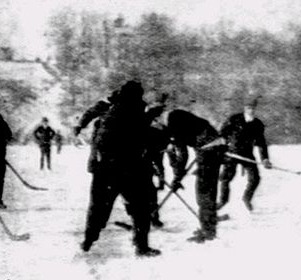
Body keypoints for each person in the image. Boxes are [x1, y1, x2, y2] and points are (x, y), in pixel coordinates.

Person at [80, 80, 161, 257]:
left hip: (103, 169)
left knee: (98, 208)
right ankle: (141, 246)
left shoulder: (109, 111)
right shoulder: (134, 112)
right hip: (129, 169)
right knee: (141, 209)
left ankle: (88, 240)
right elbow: (144, 135)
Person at [166, 109, 227, 243]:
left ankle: (208, 231)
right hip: (216, 148)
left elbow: (183, 156)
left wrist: (177, 178)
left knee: (203, 194)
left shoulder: (173, 123)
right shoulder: (177, 115)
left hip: (208, 151)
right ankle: (209, 227)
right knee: (208, 192)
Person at [217, 98, 272, 211]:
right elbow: (222, 135)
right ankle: (223, 201)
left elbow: (261, 143)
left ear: (255, 109)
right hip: (232, 153)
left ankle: (247, 198)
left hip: (247, 155)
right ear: (244, 108)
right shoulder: (234, 119)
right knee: (225, 178)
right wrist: (223, 148)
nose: (250, 110)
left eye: (252, 108)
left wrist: (265, 158)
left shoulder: (257, 124)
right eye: (248, 108)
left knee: (255, 178)